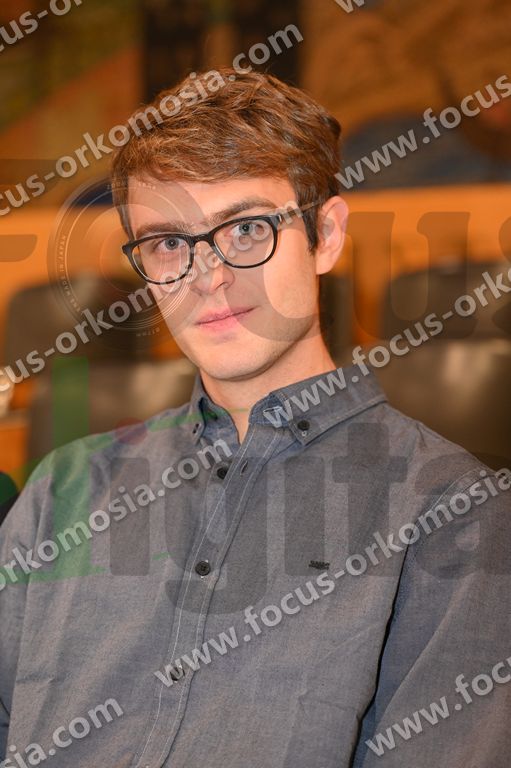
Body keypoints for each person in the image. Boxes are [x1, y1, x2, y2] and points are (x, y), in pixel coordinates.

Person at [1, 68, 510, 768]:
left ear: (325, 234)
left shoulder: (455, 514)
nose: (208, 276)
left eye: (246, 229)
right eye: (169, 242)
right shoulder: (61, 491)